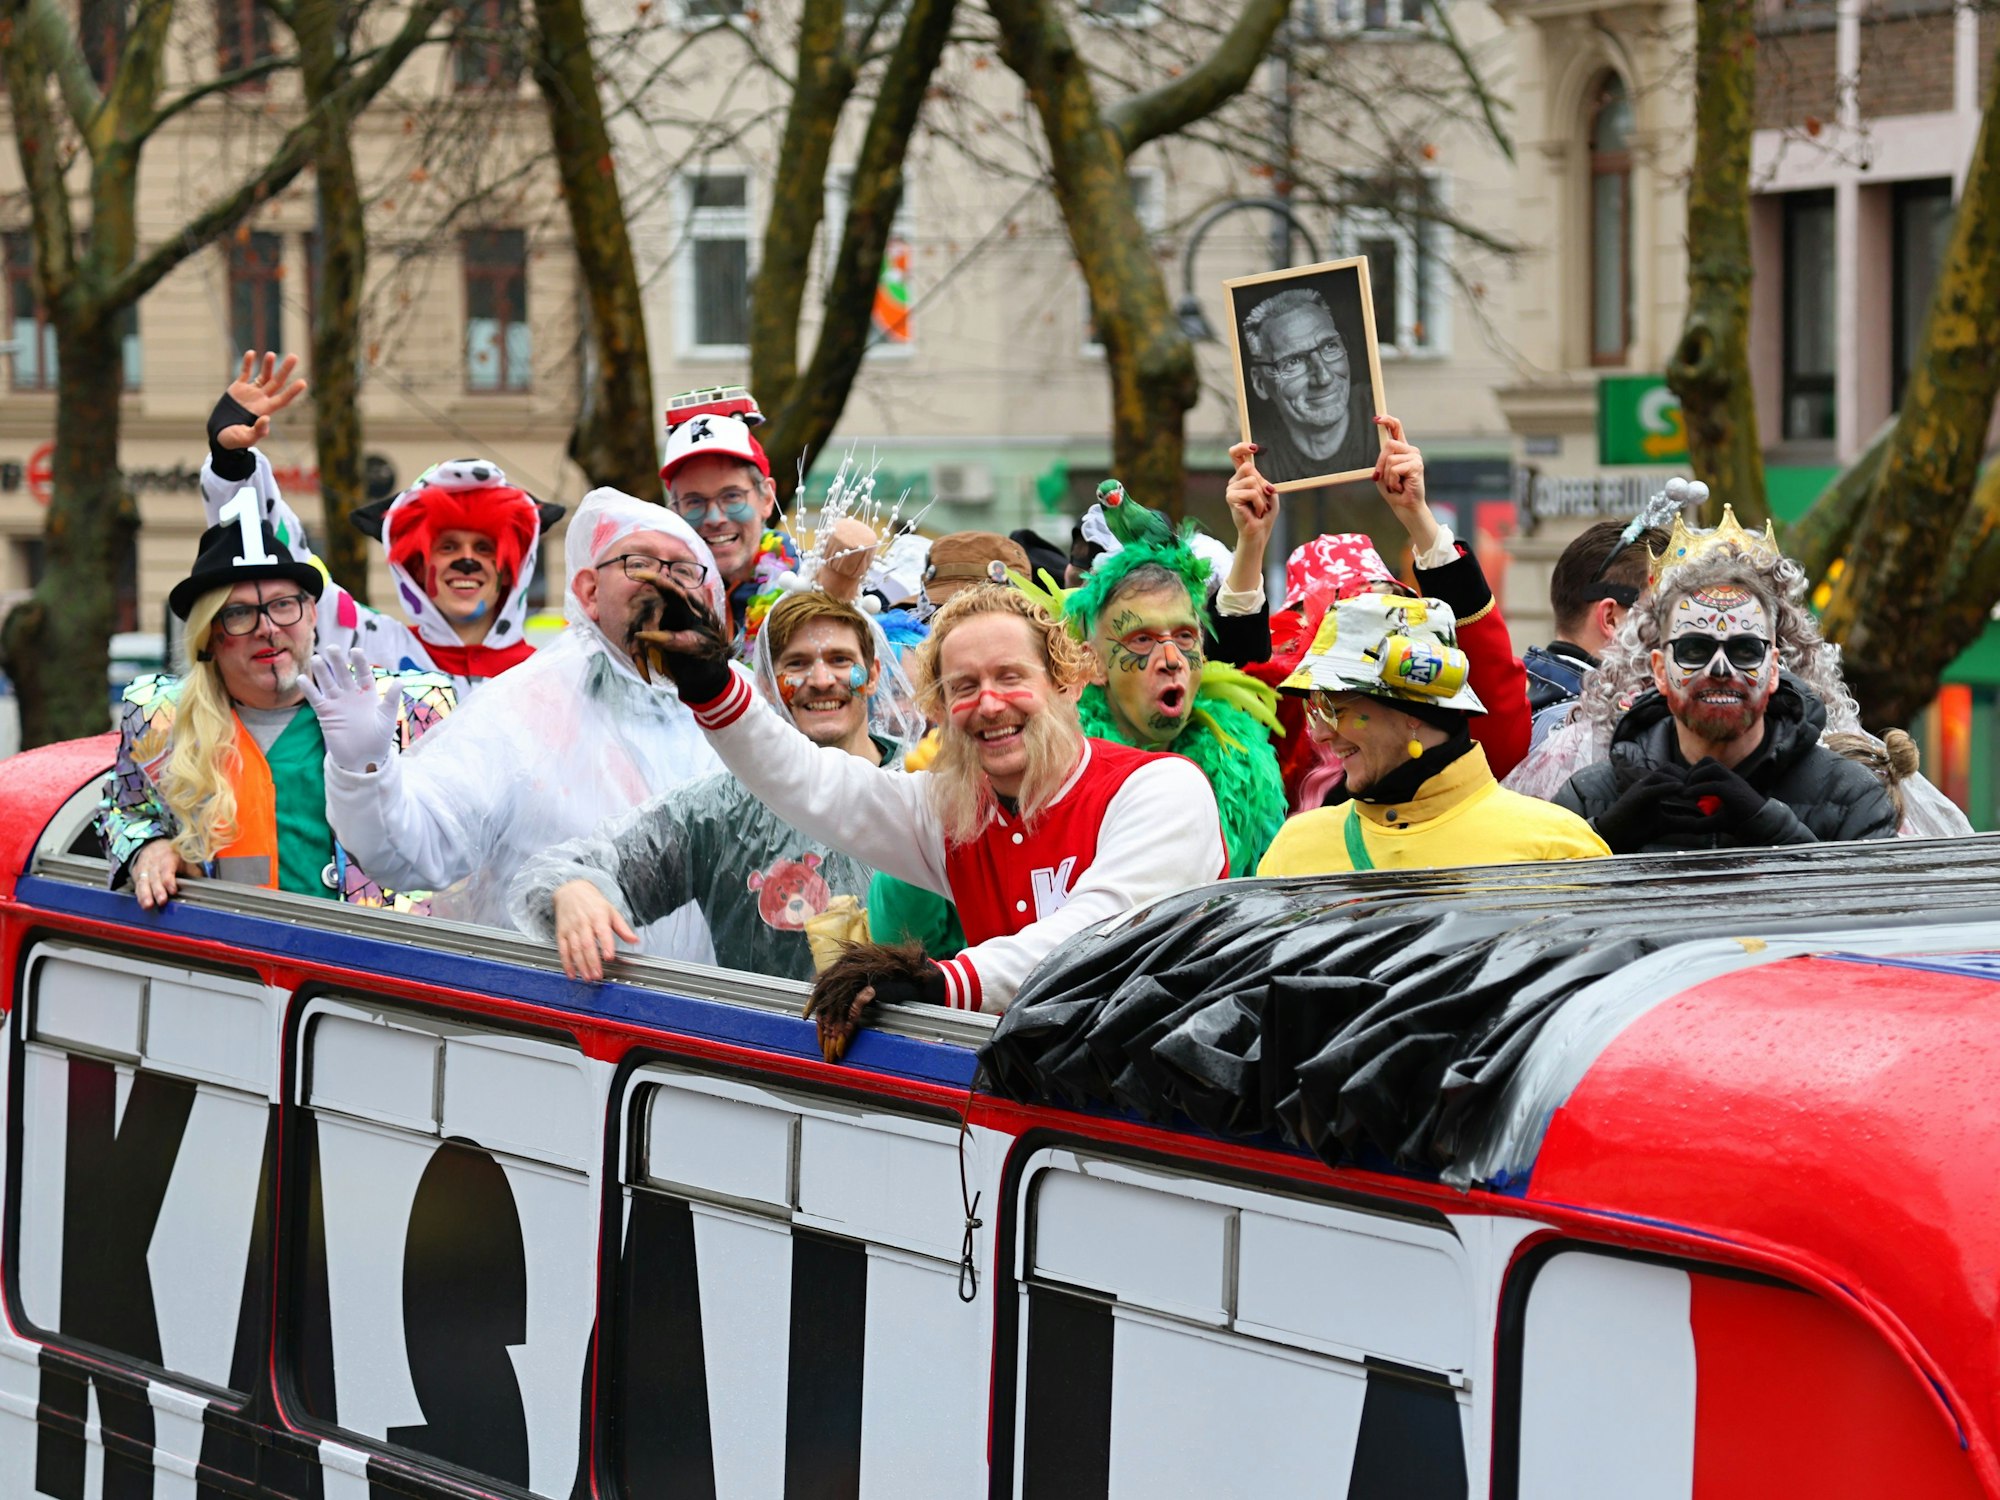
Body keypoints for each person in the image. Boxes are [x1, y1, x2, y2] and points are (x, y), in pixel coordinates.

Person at [626, 579, 1226, 1059]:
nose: (988, 704)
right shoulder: (954, 808)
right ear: (941, 710)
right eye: (964, 687)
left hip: (1171, 1123)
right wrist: (711, 686)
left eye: (1011, 677)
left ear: (1066, 682)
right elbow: (813, 785)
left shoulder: (1159, 788)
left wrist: (938, 982)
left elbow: (1102, 935)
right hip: (1033, 1123)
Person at [312, 488, 731, 958]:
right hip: (553, 1020)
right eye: (641, 563)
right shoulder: (527, 703)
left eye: (684, 569)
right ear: (588, 591)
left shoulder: (736, 710)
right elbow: (413, 848)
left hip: (706, 1023)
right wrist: (364, 774)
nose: (667, 582)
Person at [509, 590, 925, 981]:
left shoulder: (922, 801)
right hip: (757, 1051)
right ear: (765, 684)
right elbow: (564, 875)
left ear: (871, 676)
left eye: (839, 660)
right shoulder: (722, 807)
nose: (820, 680)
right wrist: (572, 890)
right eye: (796, 664)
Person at [97, 521, 453, 911]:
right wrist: (149, 849)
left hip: (376, 959)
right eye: (238, 613)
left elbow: (463, 835)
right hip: (230, 956)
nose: (267, 628)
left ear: (312, 615)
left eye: (284, 605)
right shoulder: (159, 716)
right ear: (209, 635)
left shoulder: (407, 707)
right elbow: (124, 811)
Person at [201, 352, 560, 695]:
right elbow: (276, 553)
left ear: (510, 569)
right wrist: (232, 464)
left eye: (484, 547)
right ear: (418, 566)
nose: (466, 560)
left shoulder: (553, 677)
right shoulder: (370, 650)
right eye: (447, 546)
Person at [1551, 508, 1898, 853]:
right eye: (1694, 649)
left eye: (1745, 650)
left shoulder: (1851, 796)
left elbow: (1865, 907)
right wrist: (1600, 839)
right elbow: (1550, 902)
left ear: (1774, 669)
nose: (1720, 669)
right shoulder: (1589, 797)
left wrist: (1776, 830)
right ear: (1659, 670)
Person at [1234, 418, 1533, 805]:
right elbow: (1236, 690)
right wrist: (1250, 544)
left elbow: (1498, 713)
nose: (1375, 648)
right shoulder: (1283, 743)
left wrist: (1416, 514)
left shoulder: (1443, 740)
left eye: (1387, 617)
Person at [1258, 592, 1609, 875]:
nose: (1318, 734)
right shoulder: (1295, 848)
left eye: (1335, 708)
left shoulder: (1556, 849)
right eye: (1314, 708)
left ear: (1412, 712)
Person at [1053, 494, 1287, 875]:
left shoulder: (1242, 770)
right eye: (1141, 640)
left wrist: (1253, 539)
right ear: (1092, 663)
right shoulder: (1054, 770)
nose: (1172, 660)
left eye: (1184, 637)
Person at [657, 393, 800, 658]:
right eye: (694, 501)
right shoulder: (657, 606)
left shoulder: (808, 589)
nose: (714, 518)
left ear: (766, 499)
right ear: (674, 513)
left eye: (732, 496)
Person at [1524, 518, 1667, 747]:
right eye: (1664, 612)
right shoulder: (1593, 732)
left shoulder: (1514, 705)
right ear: (1611, 619)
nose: (1684, 629)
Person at [1240, 287, 1377, 483]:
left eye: (1330, 346)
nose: (1324, 378)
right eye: (1293, 361)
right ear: (1260, 383)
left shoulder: (1381, 418)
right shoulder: (1256, 460)